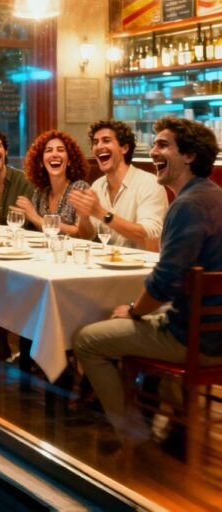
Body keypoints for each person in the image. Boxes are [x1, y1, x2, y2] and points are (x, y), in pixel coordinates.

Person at [74, 117, 222, 450]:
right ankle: (177, 426)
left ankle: (134, 437)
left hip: (197, 340)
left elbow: (163, 283)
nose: (152, 150)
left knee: (87, 340)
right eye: (154, 144)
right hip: (211, 332)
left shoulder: (185, 206)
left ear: (189, 156)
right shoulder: (214, 196)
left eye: (162, 144)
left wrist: (133, 310)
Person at [69, 119, 167, 250]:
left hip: (141, 267)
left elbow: (150, 237)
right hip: (107, 264)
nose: (99, 146)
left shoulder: (149, 184)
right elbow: (88, 236)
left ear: (124, 148)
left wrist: (102, 214)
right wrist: (84, 217)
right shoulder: (97, 185)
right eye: (95, 142)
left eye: (106, 140)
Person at [14, 130, 94, 238]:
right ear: (41, 162)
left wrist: (35, 217)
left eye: (60, 150)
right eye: (48, 150)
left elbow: (78, 233)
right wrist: (26, 216)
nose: (55, 154)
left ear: (69, 160)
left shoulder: (79, 188)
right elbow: (38, 228)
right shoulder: (40, 193)